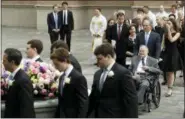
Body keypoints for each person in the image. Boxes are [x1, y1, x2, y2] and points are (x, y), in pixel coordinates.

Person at [87, 43, 138, 118]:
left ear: (108, 56)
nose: (98, 62)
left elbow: (131, 100)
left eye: (100, 59)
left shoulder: (123, 73)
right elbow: (93, 97)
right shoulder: (97, 74)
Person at [50, 48, 88, 118]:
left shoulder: (78, 77)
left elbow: (83, 102)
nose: (55, 67)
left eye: (57, 64)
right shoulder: (62, 77)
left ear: (64, 61)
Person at [3, 48, 35, 118]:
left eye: (4, 61)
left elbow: (26, 108)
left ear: (12, 62)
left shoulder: (23, 81)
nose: (3, 63)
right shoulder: (14, 76)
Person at [163, 18, 182, 97]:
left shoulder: (177, 33)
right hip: (167, 53)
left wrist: (168, 30)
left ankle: (170, 89)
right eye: (167, 23)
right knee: (167, 72)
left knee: (171, 71)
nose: (168, 25)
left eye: (169, 23)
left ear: (173, 24)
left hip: (173, 53)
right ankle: (169, 87)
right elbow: (164, 44)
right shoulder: (166, 33)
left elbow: (171, 40)